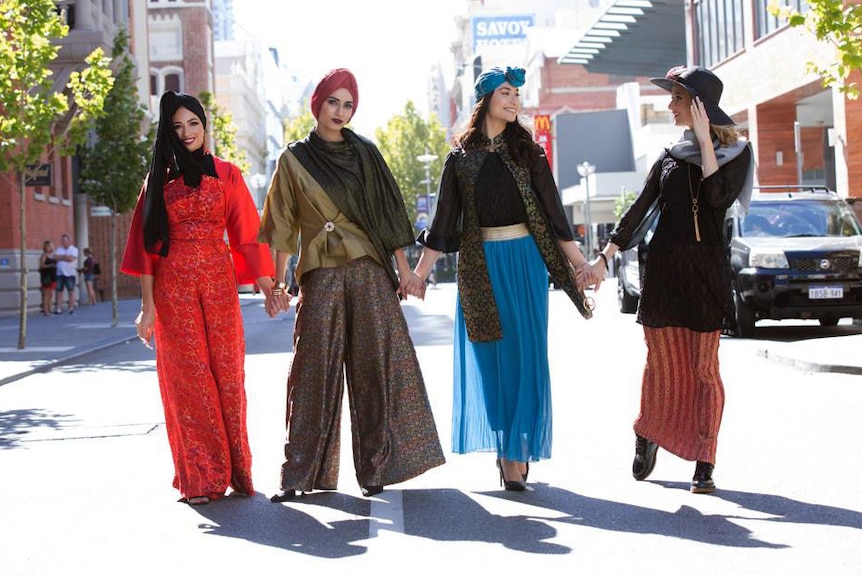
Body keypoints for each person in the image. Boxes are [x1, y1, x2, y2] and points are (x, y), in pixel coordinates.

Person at [258, 68, 445, 502]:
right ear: (318, 103)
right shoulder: (293, 159)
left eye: (348, 104)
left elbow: (388, 213)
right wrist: (279, 284)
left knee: (374, 368)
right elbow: (282, 223)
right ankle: (300, 474)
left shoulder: (365, 153)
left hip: (368, 270)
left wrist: (405, 269)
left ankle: (377, 468)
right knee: (311, 373)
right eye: (333, 102)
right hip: (319, 274)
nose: (340, 112)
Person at [412, 66, 596, 492]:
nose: (514, 102)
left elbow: (554, 213)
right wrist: (419, 274)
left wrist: (580, 264)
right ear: (486, 101)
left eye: (517, 95)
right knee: (492, 358)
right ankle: (505, 443)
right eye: (506, 94)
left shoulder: (528, 152)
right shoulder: (460, 159)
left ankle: (516, 450)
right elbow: (443, 223)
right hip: (481, 266)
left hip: (526, 261)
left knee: (528, 356)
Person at [592, 66, 754, 494]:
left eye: (677, 99)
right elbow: (641, 208)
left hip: (706, 275)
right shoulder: (668, 157)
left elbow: (718, 198)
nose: (669, 106)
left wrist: (705, 142)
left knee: (704, 369)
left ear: (699, 106)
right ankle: (648, 431)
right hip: (664, 272)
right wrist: (605, 256)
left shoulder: (738, 154)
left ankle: (705, 461)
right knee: (662, 366)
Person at [121, 91, 277, 506]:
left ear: (204, 125)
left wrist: (267, 287)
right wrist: (147, 307)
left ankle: (236, 469)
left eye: (193, 123)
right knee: (189, 380)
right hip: (173, 292)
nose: (186, 132)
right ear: (168, 132)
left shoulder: (227, 174)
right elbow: (146, 248)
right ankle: (202, 476)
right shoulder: (158, 180)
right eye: (177, 126)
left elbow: (247, 233)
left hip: (219, 286)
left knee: (227, 374)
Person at [54, 233, 78, 314]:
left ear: (69, 241)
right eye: (62, 240)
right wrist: (65, 256)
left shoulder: (74, 249)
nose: (62, 241)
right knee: (59, 291)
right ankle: (58, 308)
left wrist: (61, 257)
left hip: (70, 274)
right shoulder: (58, 249)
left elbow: (71, 259)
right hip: (59, 273)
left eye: (64, 240)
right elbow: (55, 257)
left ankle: (71, 307)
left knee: (71, 290)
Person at [38, 240, 57, 316]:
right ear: (45, 247)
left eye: (51, 246)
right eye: (48, 246)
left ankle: (50, 309)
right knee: (46, 294)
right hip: (46, 276)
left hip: (53, 276)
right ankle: (46, 311)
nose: (50, 247)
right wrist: (51, 265)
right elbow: (41, 266)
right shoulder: (44, 255)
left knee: (51, 294)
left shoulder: (53, 255)